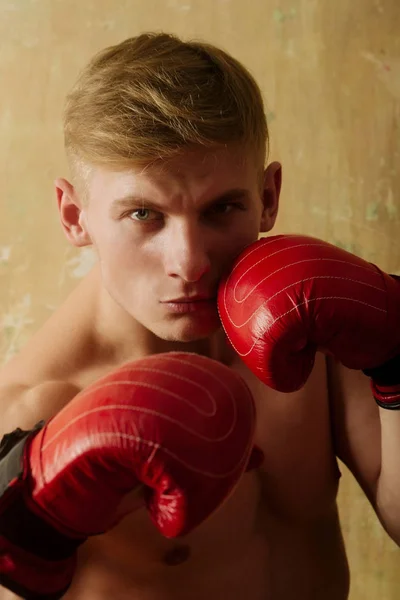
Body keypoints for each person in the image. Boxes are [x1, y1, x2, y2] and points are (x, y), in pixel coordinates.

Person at [0, 31, 399, 600]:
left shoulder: (319, 326)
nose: (189, 262)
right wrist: (28, 531)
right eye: (144, 214)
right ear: (74, 216)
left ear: (268, 196)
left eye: (222, 209)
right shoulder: (31, 409)